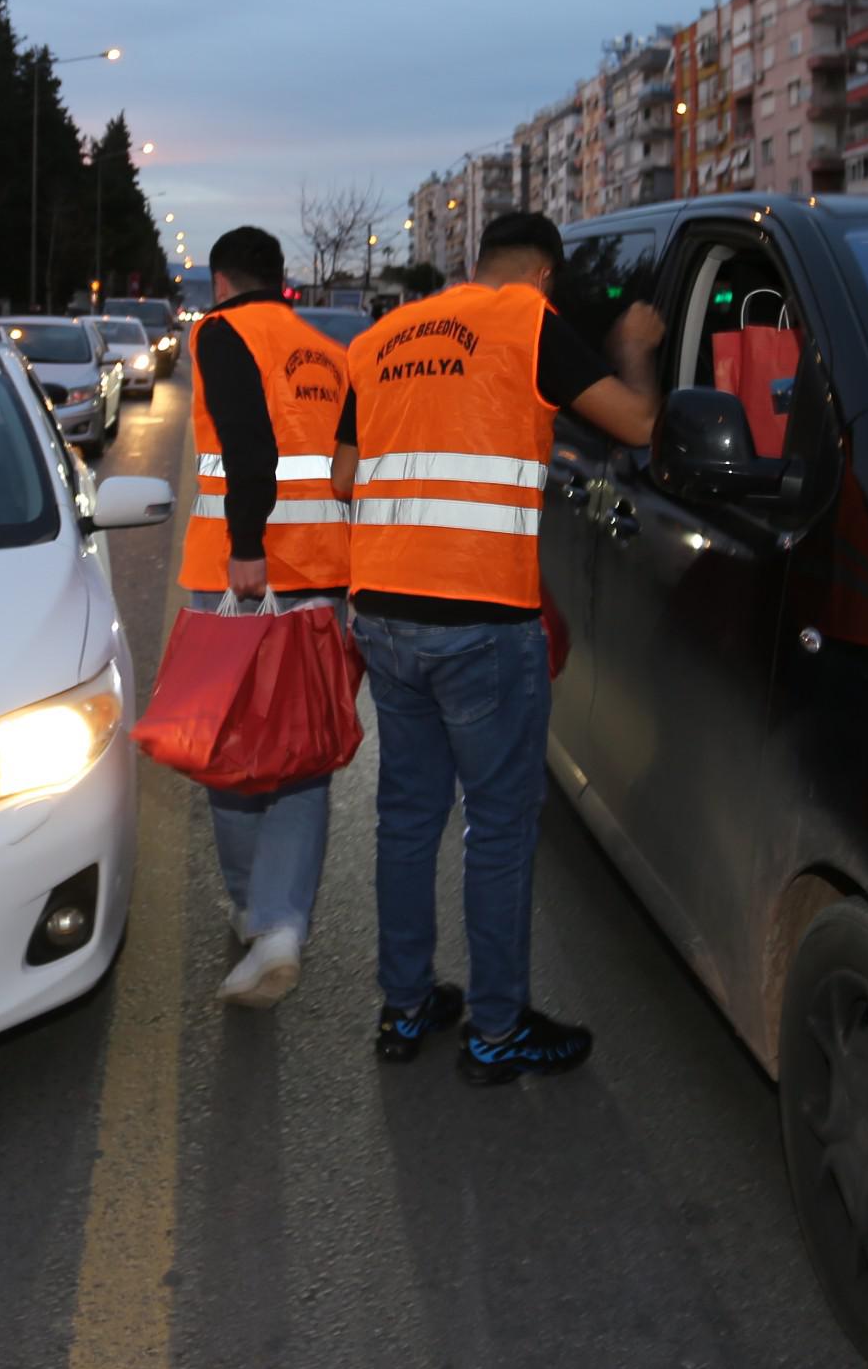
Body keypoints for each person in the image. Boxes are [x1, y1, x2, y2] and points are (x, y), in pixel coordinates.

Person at [332, 211, 661, 1085]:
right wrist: (632, 345)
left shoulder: (383, 337)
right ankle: (498, 1029)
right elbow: (633, 423)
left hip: (385, 617)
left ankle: (405, 1008)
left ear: (474, 265)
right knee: (500, 828)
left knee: (406, 819)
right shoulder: (526, 323)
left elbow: (341, 476)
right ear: (543, 276)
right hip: (481, 615)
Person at [181, 226, 354, 1010]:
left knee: (230, 744)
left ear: (220, 282)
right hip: (325, 574)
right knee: (302, 753)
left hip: (242, 575)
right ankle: (284, 925)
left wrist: (247, 544)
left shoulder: (221, 332)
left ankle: (256, 910)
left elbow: (249, 447)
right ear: (280, 279)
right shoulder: (324, 351)